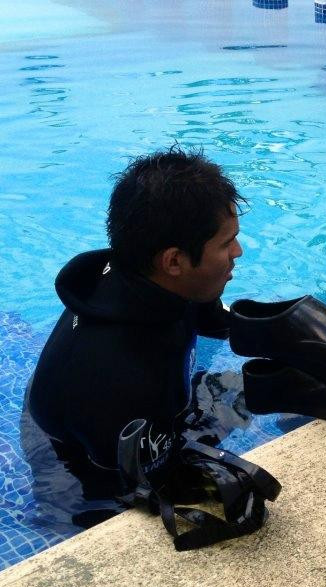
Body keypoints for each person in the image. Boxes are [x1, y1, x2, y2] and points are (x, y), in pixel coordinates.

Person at [23, 147, 245, 528]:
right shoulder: (118, 378)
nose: (238, 252)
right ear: (174, 261)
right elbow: (137, 483)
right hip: (77, 462)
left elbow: (219, 323)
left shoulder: (164, 277)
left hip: (127, 409)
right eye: (227, 244)